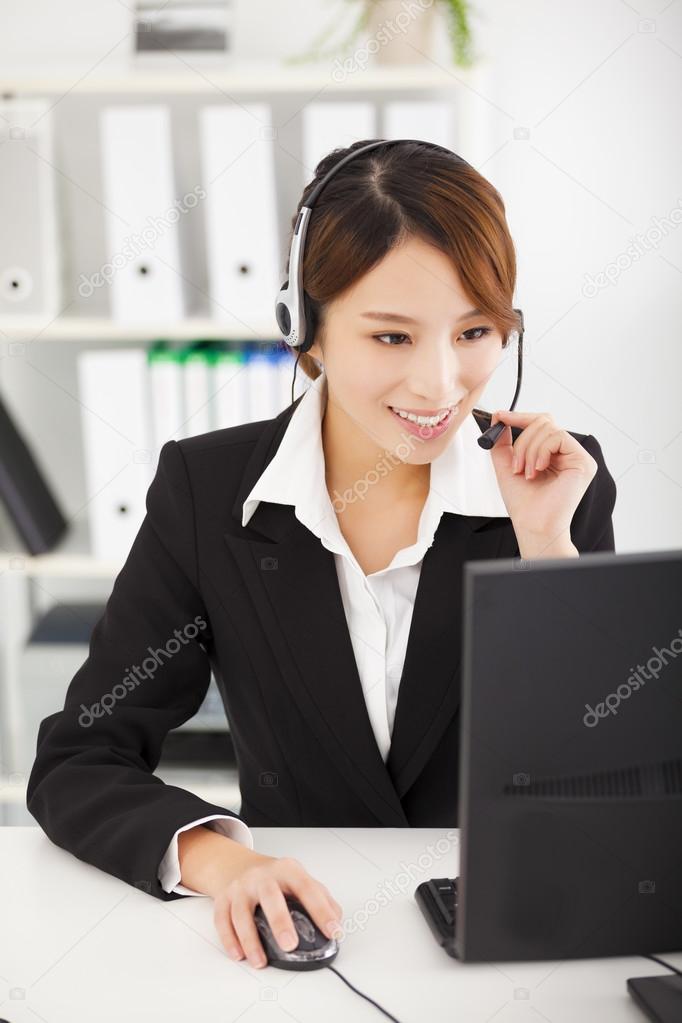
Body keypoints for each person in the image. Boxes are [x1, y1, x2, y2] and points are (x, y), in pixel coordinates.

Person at [26, 139, 617, 971]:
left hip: (509, 949)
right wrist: (221, 857)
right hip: (306, 952)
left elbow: (607, 788)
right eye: (391, 337)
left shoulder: (555, 482)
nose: (441, 385)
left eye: (476, 331)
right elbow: (81, 758)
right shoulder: (209, 491)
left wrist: (546, 546)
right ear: (304, 331)